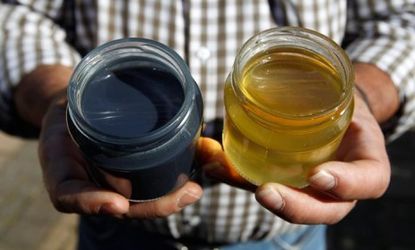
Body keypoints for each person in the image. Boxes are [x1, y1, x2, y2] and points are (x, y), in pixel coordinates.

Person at [0, 0, 413, 249]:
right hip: (115, 239)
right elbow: (15, 14)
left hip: (283, 241)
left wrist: (363, 96)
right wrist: (53, 93)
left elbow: (402, 19)